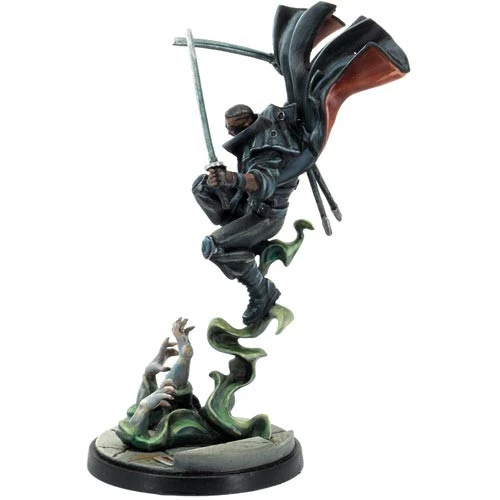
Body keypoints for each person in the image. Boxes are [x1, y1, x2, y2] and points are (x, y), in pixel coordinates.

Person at [192, 103, 302, 325]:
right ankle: (239, 236)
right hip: (247, 204)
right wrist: (218, 182)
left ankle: (261, 291)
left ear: (248, 123)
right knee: (201, 187)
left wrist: (230, 178)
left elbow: (263, 183)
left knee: (212, 246)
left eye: (233, 129)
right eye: (228, 130)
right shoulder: (252, 139)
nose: (231, 134)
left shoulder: (268, 144)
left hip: (265, 217)